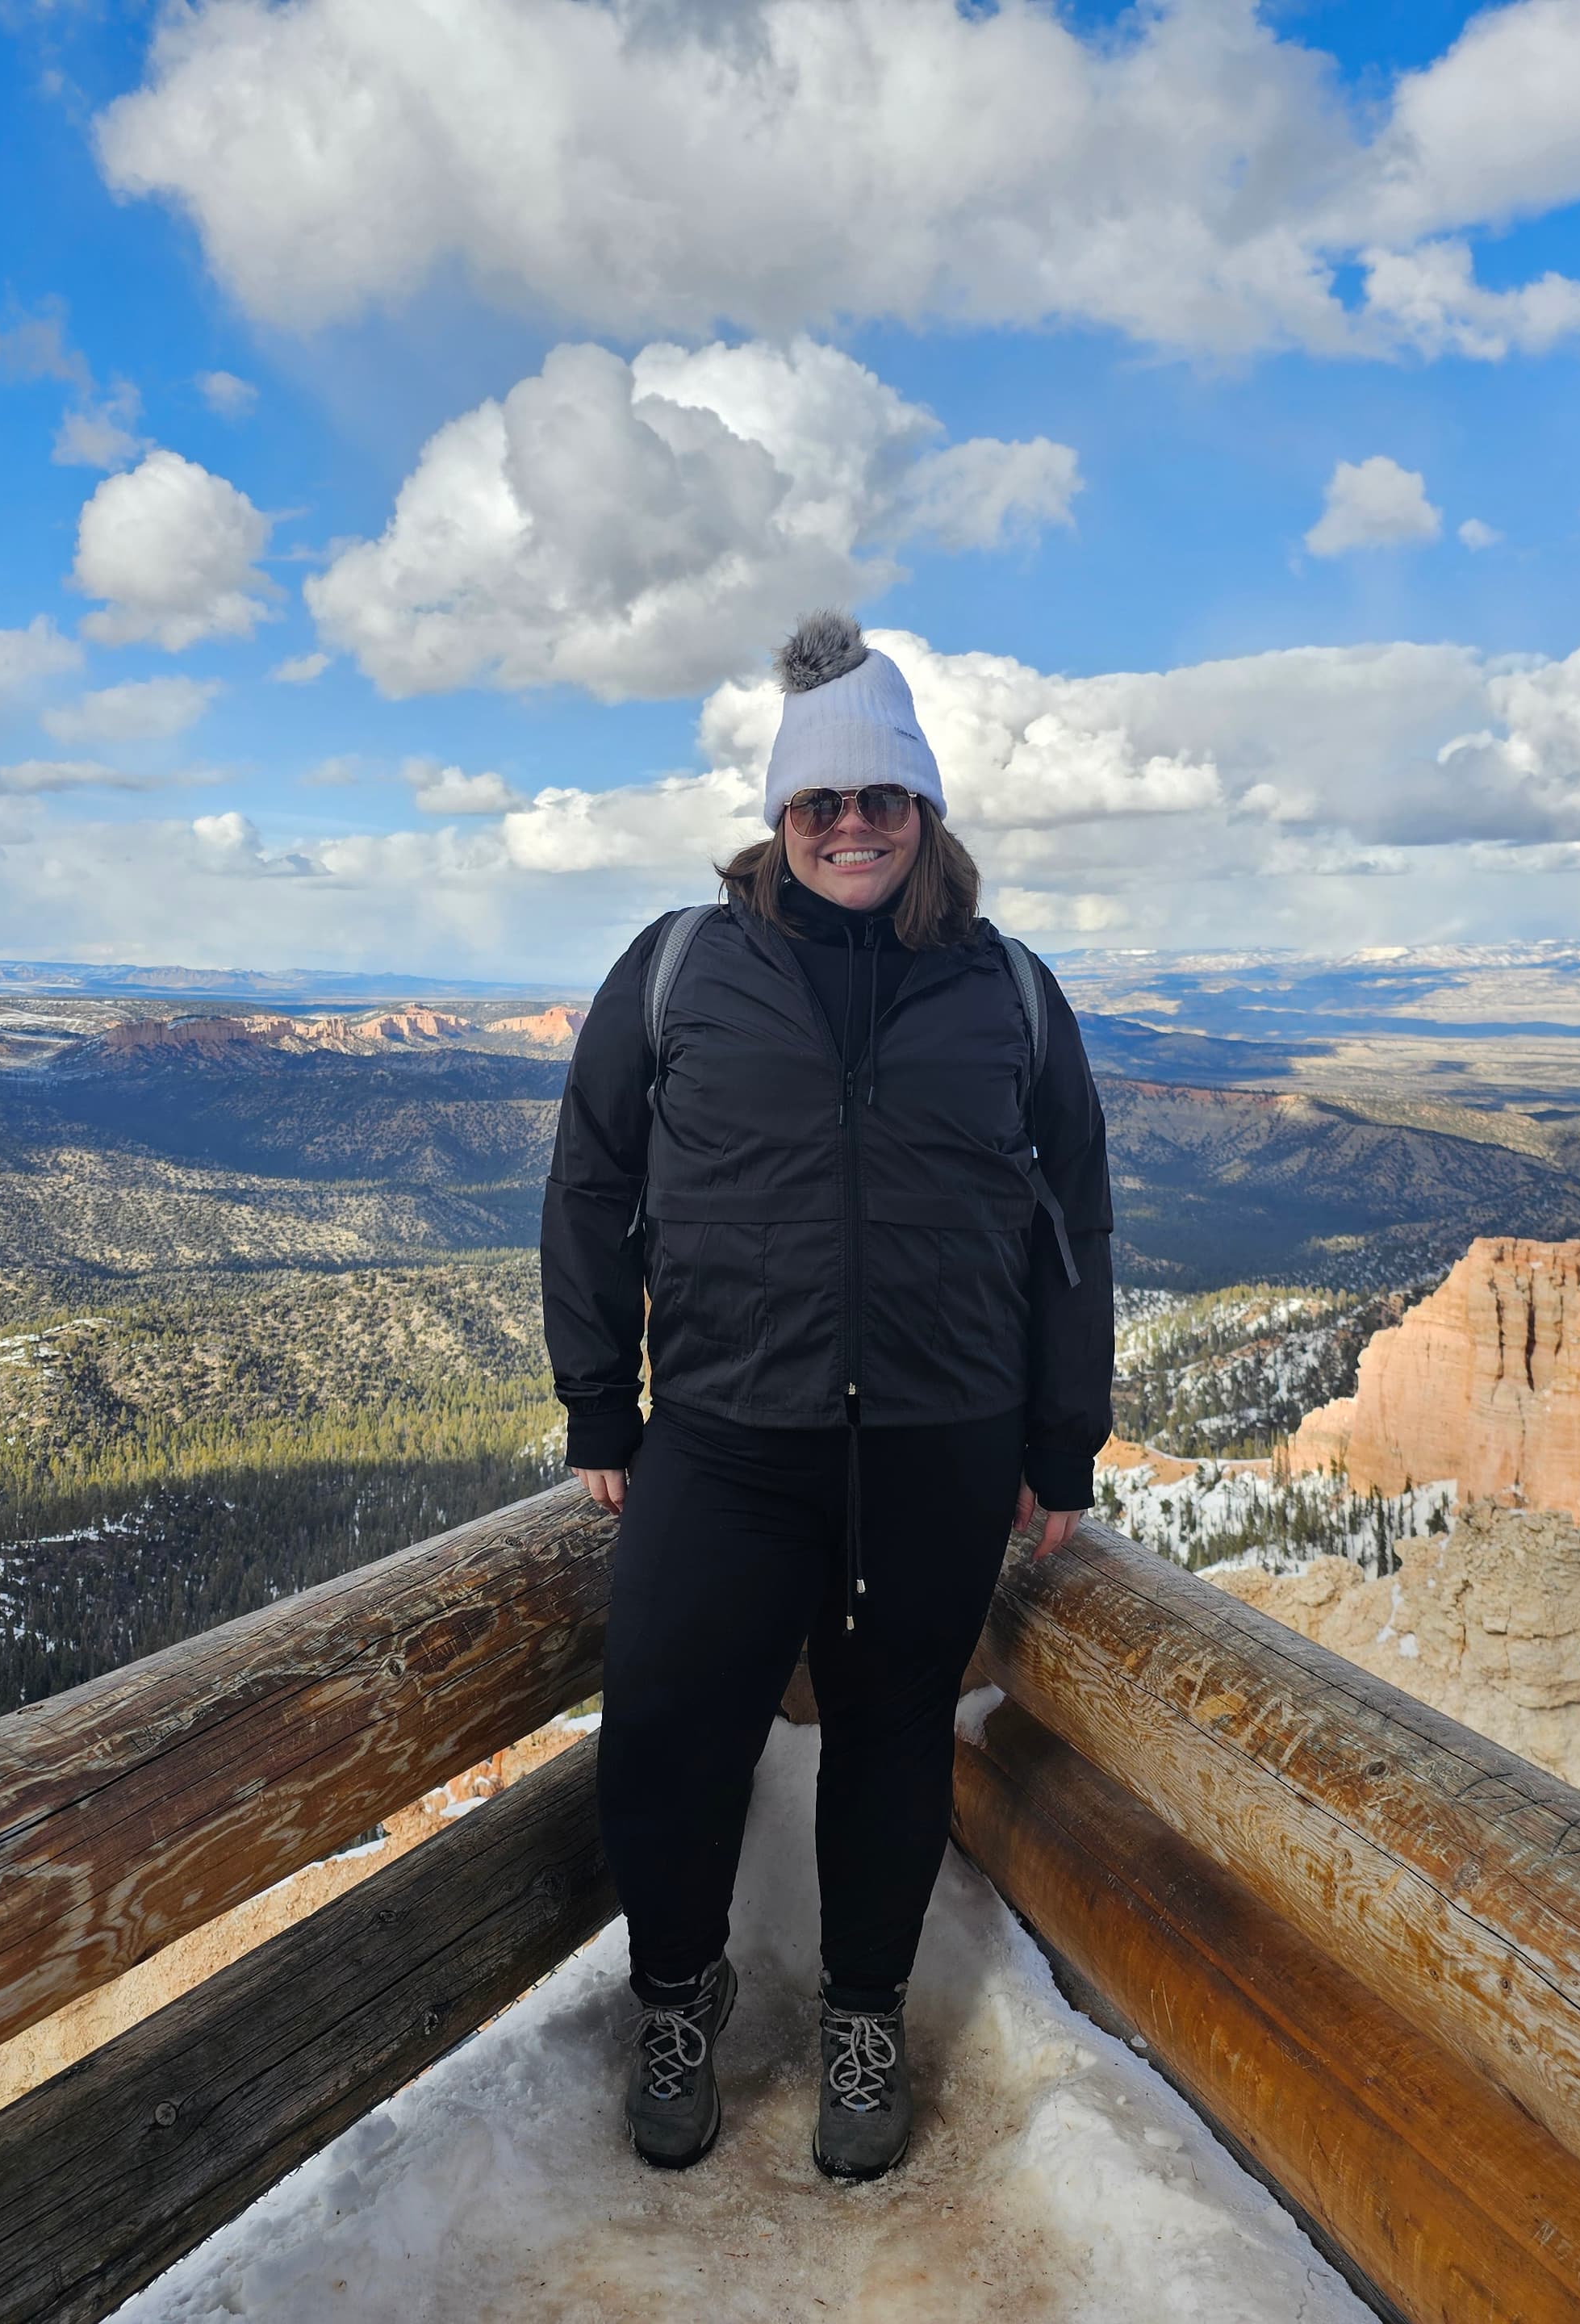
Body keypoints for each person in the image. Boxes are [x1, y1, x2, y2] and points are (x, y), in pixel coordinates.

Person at [540, 611, 1114, 2183]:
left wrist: (1058, 1440)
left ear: (924, 814)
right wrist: (602, 1405)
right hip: (726, 1439)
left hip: (936, 1446)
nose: (852, 826)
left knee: (891, 1744)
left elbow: (1070, 1219)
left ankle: (866, 2015)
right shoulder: (677, 971)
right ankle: (680, 1999)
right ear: (778, 819)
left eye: (883, 800)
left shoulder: (1007, 993)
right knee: (666, 1730)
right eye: (821, 803)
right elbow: (590, 1183)